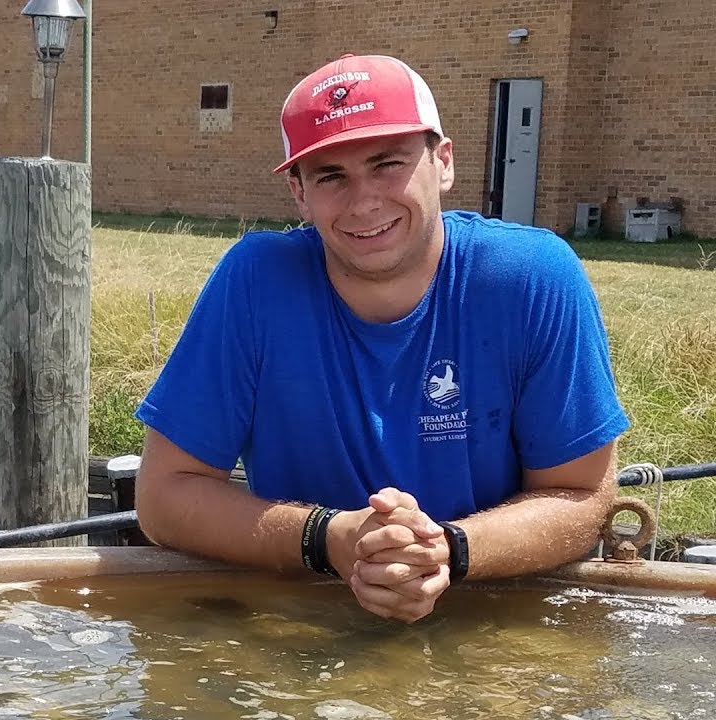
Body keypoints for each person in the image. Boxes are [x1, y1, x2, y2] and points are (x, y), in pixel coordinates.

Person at [132, 54, 630, 623]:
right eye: (330, 176)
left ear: (442, 162)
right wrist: (328, 538)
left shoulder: (532, 277)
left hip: (498, 616)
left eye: (387, 163)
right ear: (299, 194)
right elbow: (163, 497)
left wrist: (445, 550)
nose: (363, 200)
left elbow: (583, 496)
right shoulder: (256, 283)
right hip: (305, 617)